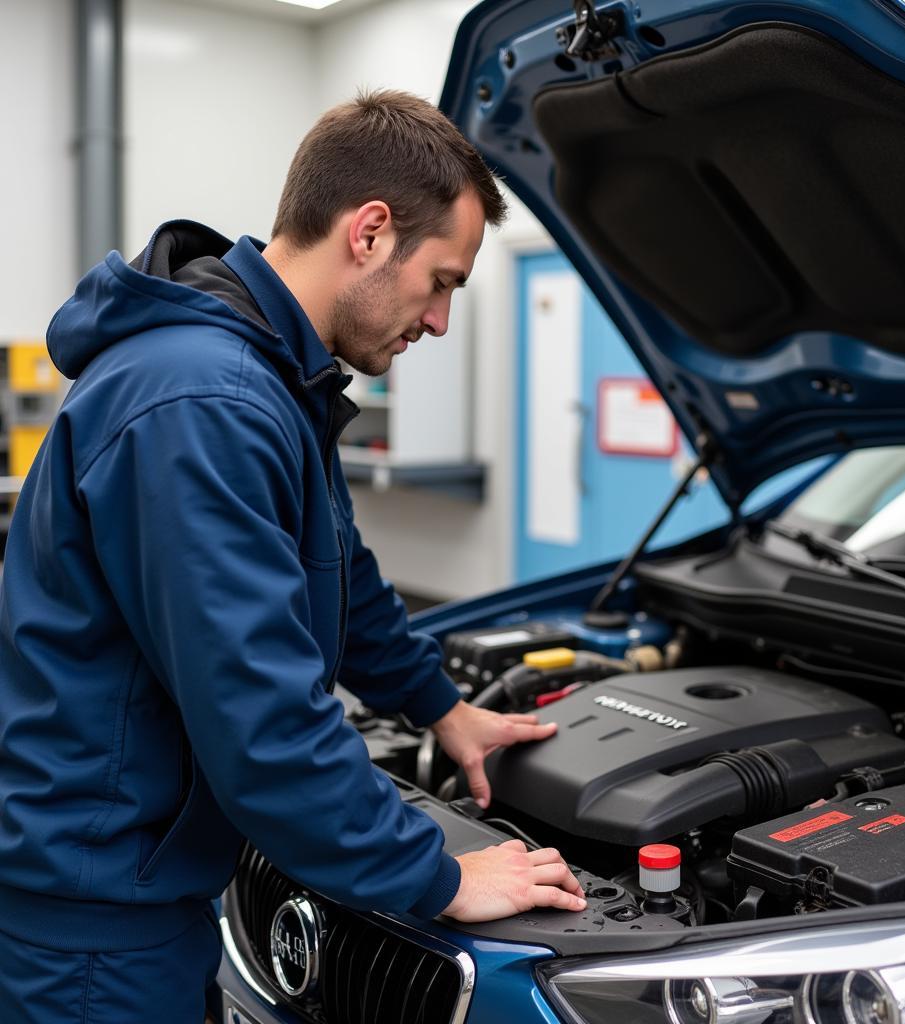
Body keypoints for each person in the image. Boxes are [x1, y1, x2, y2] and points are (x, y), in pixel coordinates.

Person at [0, 90, 586, 1023]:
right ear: (369, 231)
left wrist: (441, 707)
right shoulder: (207, 401)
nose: (438, 322)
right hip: (94, 926)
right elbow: (260, 717)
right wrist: (435, 877)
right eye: (441, 281)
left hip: (131, 886)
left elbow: (337, 572)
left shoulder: (266, 375)